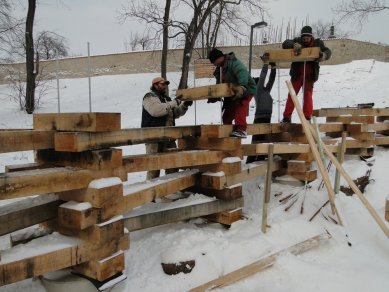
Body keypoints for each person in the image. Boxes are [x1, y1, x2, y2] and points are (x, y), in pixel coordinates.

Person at [141, 76, 192, 180]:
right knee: (154, 166)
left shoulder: (167, 99)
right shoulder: (149, 97)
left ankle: (171, 189)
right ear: (155, 85)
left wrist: (184, 106)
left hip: (169, 137)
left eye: (166, 84)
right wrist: (174, 102)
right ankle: (152, 192)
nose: (165, 86)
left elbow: (175, 113)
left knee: (172, 165)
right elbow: (157, 111)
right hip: (153, 138)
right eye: (162, 84)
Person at [281, 25, 331, 123]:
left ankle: (307, 118)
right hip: (297, 75)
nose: (305, 40)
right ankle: (287, 117)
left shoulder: (318, 43)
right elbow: (285, 43)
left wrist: (323, 55)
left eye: (307, 38)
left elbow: (328, 51)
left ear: (311, 37)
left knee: (307, 96)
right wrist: (293, 45)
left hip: (309, 76)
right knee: (292, 95)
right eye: (304, 38)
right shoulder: (297, 41)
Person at [208, 48, 256, 138]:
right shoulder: (220, 70)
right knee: (227, 113)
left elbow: (242, 73)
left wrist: (242, 86)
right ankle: (227, 130)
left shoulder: (233, 63)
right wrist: (216, 95)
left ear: (219, 57)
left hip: (246, 89)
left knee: (240, 104)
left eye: (214, 61)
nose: (214, 64)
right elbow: (220, 84)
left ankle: (241, 129)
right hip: (232, 92)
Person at [246, 53, 276, 163]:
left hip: (266, 118)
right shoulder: (257, 90)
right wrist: (265, 64)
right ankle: (251, 160)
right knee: (256, 140)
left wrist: (273, 68)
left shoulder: (266, 90)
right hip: (260, 118)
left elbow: (271, 80)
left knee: (263, 140)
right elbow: (263, 77)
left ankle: (261, 158)